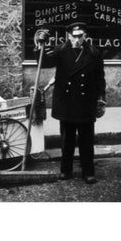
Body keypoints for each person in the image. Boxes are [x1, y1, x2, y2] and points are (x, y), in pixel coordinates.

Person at [35, 22, 106, 184]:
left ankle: (88, 172)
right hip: (66, 102)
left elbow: (100, 78)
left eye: (80, 36)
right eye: (74, 36)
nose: (77, 39)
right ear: (68, 36)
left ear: (85, 36)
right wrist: (40, 44)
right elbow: (44, 62)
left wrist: (101, 99)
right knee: (67, 139)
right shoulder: (60, 50)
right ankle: (65, 170)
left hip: (86, 101)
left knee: (86, 140)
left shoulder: (94, 53)